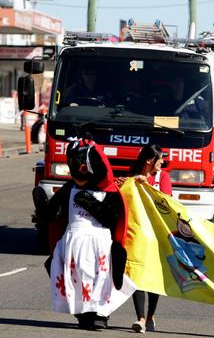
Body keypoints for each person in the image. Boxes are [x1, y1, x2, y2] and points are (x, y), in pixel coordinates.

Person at [45, 138, 136, 330]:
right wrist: (45, 209)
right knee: (73, 277)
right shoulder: (70, 187)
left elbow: (113, 217)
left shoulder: (109, 191)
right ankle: (81, 313)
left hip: (98, 241)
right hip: (72, 239)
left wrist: (91, 203)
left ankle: (99, 314)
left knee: (97, 278)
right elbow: (56, 212)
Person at [128, 144, 172, 333]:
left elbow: (166, 203)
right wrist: (127, 182)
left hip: (156, 234)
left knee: (153, 276)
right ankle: (140, 318)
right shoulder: (133, 175)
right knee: (137, 275)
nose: (162, 162)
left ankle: (151, 315)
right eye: (160, 158)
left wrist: (145, 185)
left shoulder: (163, 177)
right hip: (137, 233)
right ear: (149, 160)